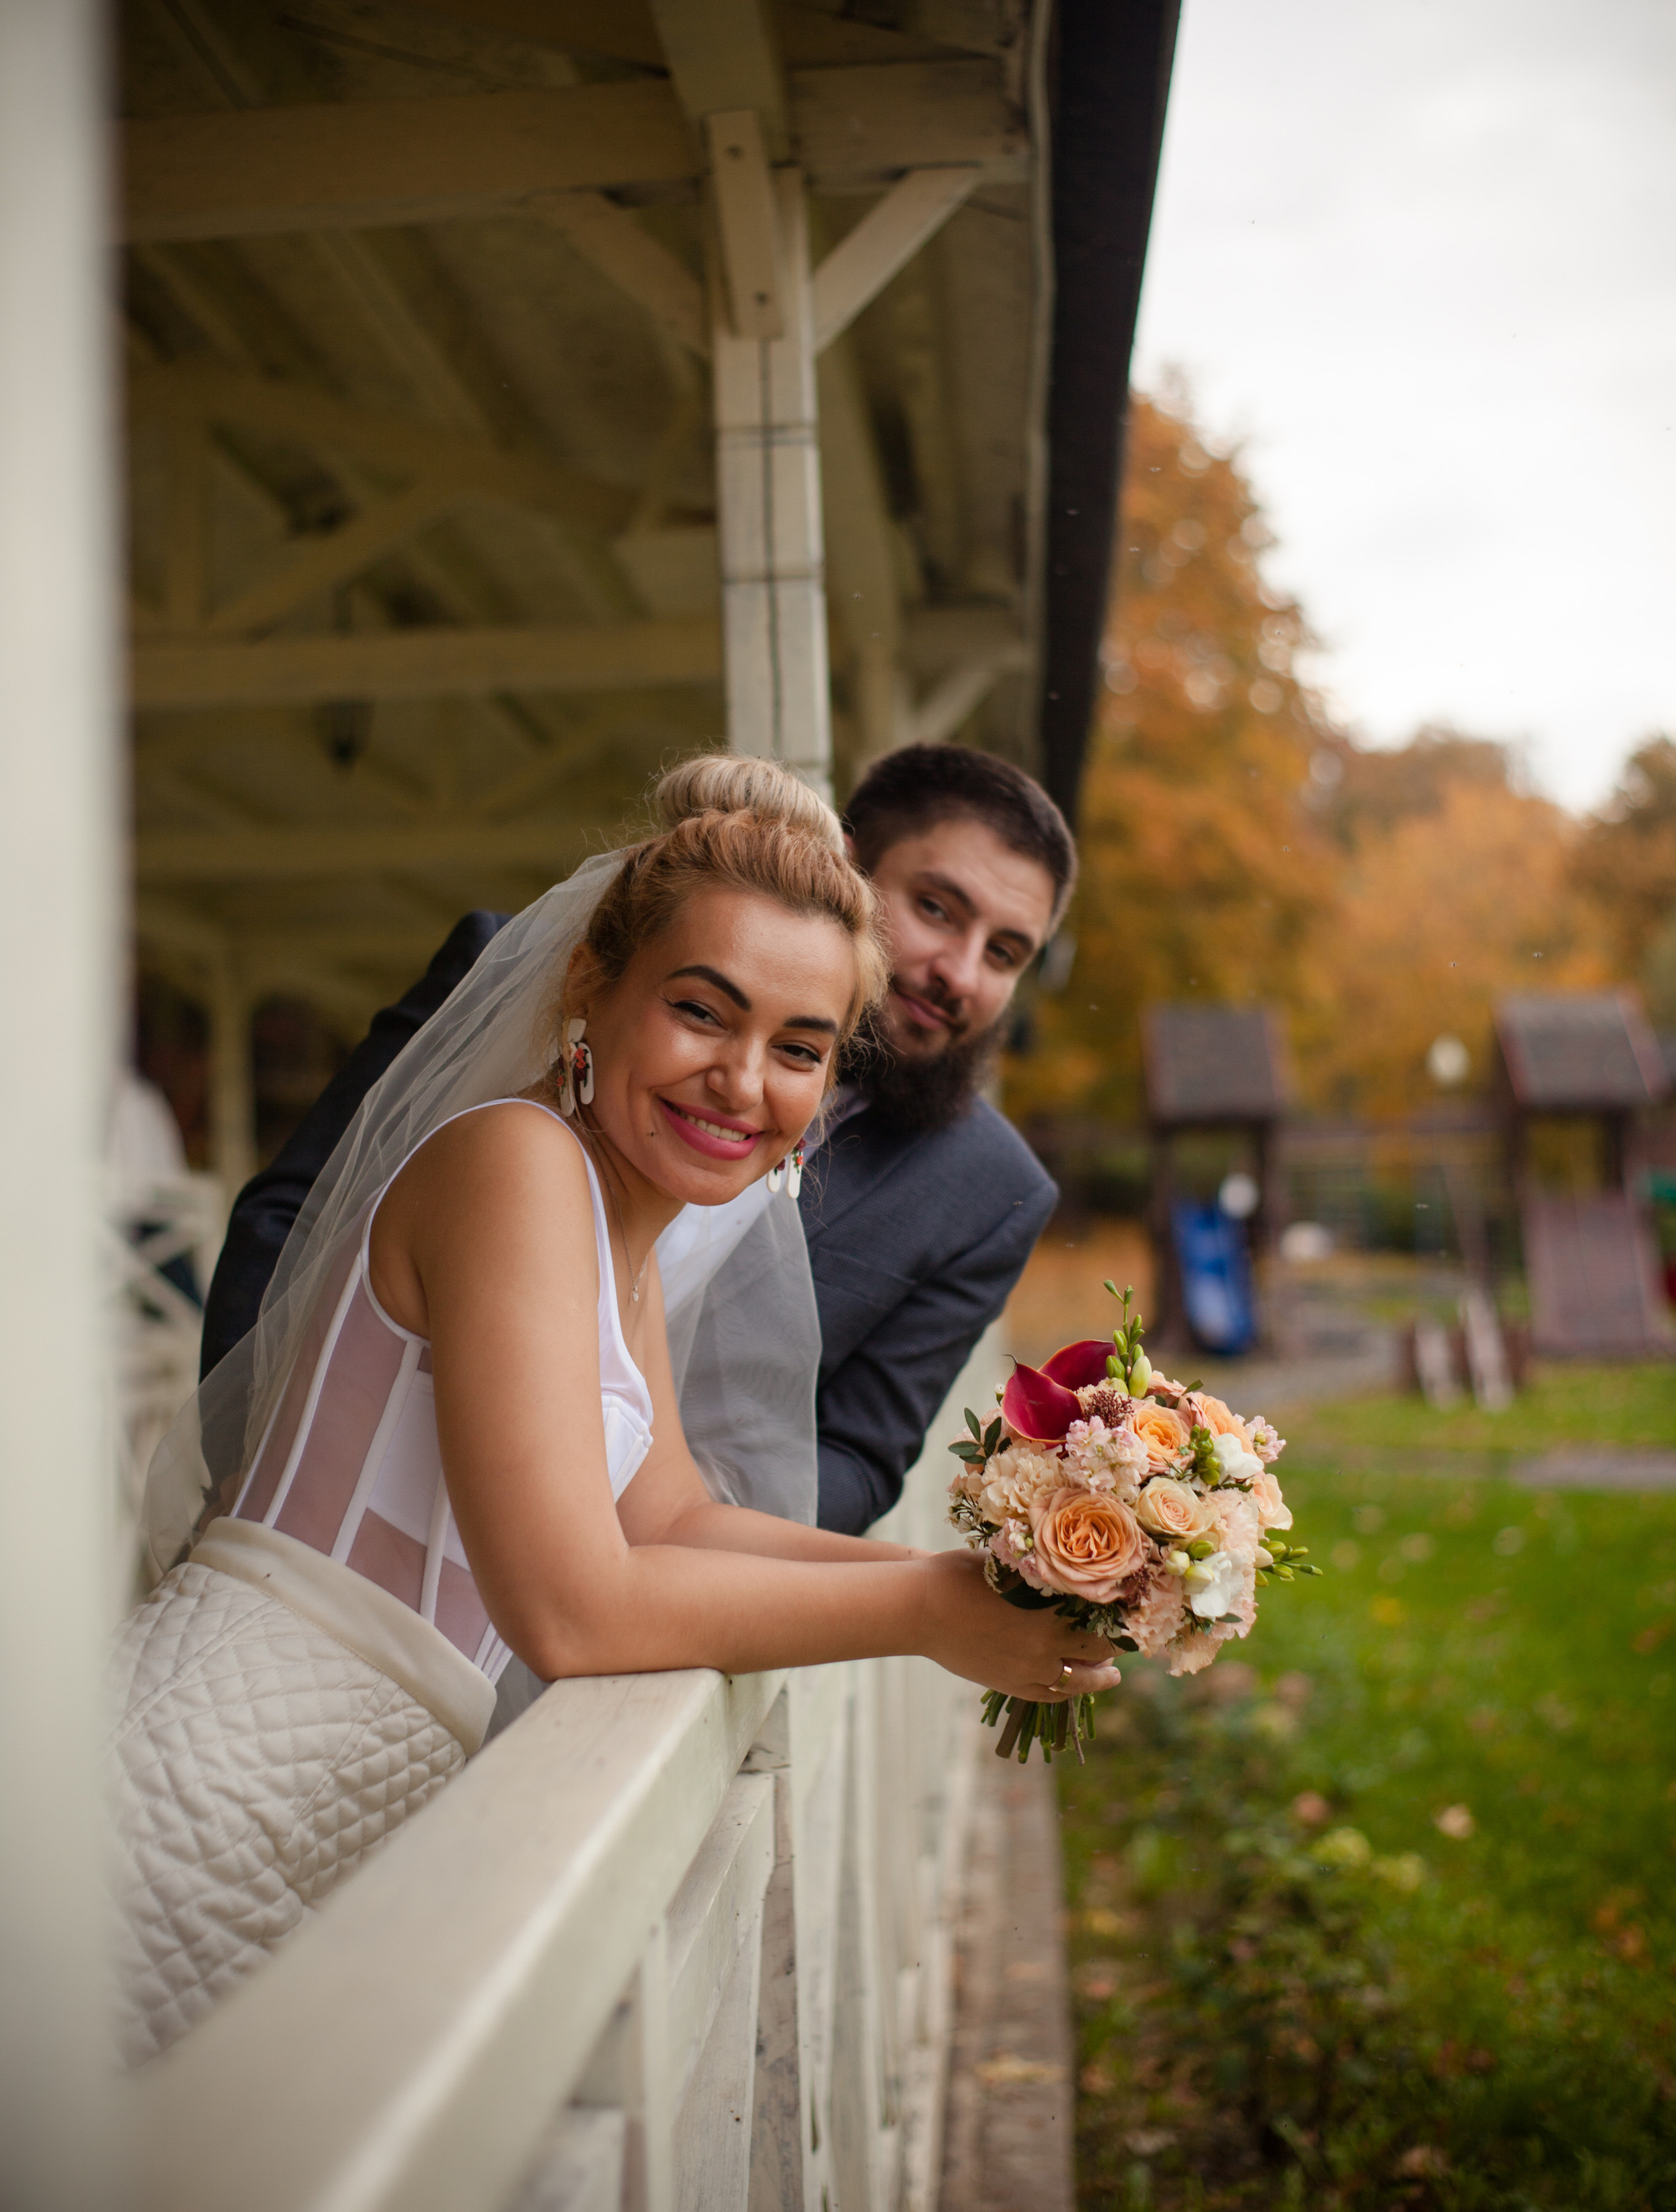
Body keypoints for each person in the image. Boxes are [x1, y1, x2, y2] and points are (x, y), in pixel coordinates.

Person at [113, 758, 1116, 2070]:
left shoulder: (615, 1229)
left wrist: (969, 1578)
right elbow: (572, 1607)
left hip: (334, 1800)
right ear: (589, 986)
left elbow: (678, 1517)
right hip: (217, 1772)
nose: (743, 1082)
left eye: (798, 1050)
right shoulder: (516, 1165)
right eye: (703, 1013)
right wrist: (921, 1617)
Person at [202, 743, 1078, 1535]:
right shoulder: (516, 1023)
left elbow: (854, 1458)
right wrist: (253, 1465)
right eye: (934, 907)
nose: (959, 972)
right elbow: (295, 1217)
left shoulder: (990, 1187)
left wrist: (684, 1550)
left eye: (1005, 953)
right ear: (845, 867)